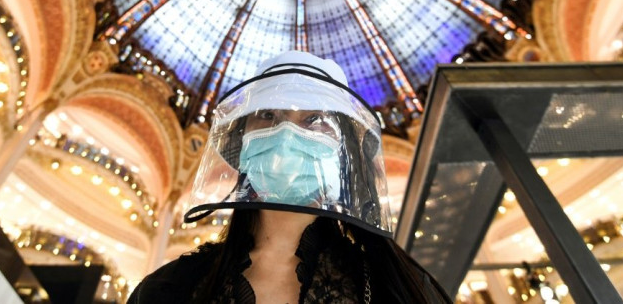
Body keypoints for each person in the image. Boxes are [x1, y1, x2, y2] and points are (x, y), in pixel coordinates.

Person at [128, 51, 451, 303]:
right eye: (268, 115)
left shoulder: (395, 287)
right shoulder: (170, 288)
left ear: (343, 152)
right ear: (240, 145)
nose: (286, 134)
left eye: (313, 120)